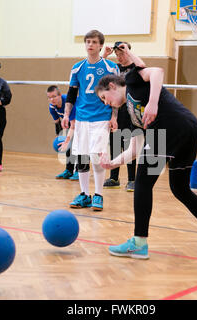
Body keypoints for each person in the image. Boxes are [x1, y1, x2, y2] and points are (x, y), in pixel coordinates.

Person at [96, 46, 197, 259]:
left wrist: (153, 102)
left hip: (170, 127)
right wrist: (112, 164)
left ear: (112, 86)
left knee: (142, 183)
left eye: (104, 98)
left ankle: (139, 242)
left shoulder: (131, 80)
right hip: (187, 128)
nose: (106, 103)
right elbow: (135, 149)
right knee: (180, 188)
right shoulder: (131, 115)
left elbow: (157, 72)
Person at [61, 30, 119, 211]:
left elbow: (117, 94)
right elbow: (71, 94)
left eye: (94, 42)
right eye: (87, 42)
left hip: (101, 117)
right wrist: (66, 114)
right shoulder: (77, 67)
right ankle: (85, 194)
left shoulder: (110, 67)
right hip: (82, 118)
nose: (90, 45)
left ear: (101, 45)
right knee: (82, 157)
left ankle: (99, 195)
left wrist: (114, 116)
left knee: (97, 157)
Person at [101, 41, 146, 192]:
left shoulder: (135, 67)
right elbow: (99, 71)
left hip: (132, 111)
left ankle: (132, 179)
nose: (119, 57)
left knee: (130, 145)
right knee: (115, 143)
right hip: (117, 111)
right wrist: (105, 55)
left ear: (127, 52)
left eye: (122, 53)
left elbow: (143, 68)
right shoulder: (115, 68)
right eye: (117, 54)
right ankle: (114, 178)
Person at [47, 85, 78, 180]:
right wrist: (60, 138)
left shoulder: (69, 104)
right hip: (71, 122)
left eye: (54, 96)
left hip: (82, 121)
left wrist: (67, 141)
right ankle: (69, 170)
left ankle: (79, 171)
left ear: (60, 95)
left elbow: (74, 125)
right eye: (49, 97)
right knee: (68, 145)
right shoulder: (52, 107)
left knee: (79, 146)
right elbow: (57, 123)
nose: (52, 99)